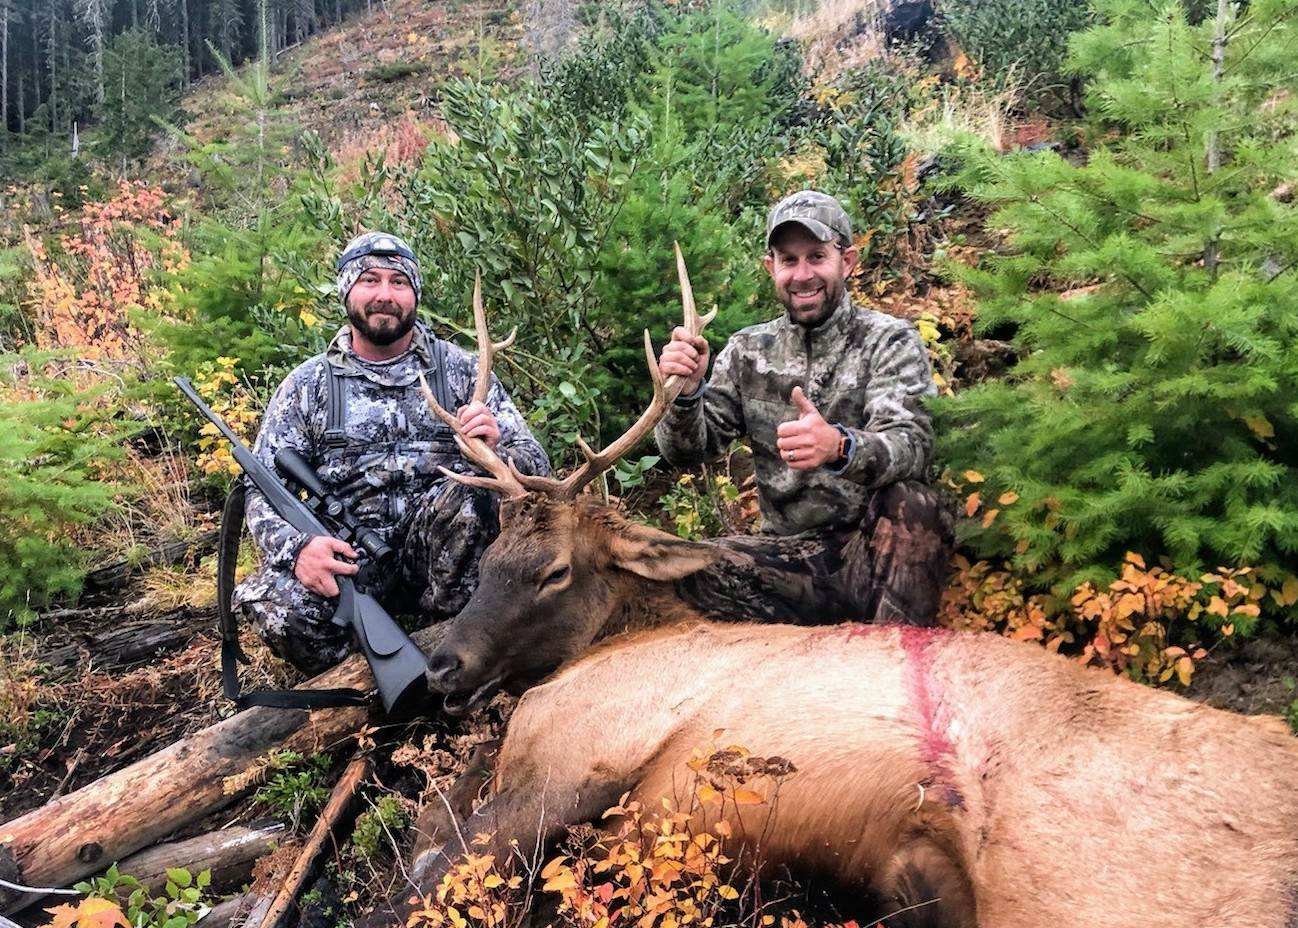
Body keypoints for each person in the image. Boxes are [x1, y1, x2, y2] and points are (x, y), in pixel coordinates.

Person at [233, 231, 550, 674]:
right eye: (370, 281)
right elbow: (263, 490)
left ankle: (451, 634)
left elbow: (537, 466)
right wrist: (298, 549)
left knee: (474, 494)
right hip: (351, 557)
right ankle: (374, 674)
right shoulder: (307, 387)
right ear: (347, 292)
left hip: (444, 556)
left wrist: (499, 446)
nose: (385, 295)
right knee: (276, 606)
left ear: (414, 294)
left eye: (398, 282)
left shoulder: (462, 371)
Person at [654, 191, 953, 626]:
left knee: (917, 505)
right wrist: (685, 393)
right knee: (687, 568)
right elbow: (686, 451)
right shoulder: (747, 351)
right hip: (789, 557)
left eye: (817, 256)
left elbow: (913, 443)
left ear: (847, 261)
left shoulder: (888, 341)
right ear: (770, 267)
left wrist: (840, 448)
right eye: (789, 260)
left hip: (870, 549)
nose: (802, 274)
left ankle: (893, 663)